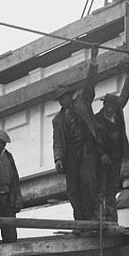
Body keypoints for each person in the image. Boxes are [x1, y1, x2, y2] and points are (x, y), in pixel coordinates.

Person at [52, 46, 101, 221]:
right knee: (73, 190)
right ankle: (80, 222)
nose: (62, 101)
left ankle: (92, 219)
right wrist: (58, 159)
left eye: (64, 97)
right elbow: (58, 141)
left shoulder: (82, 102)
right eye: (59, 99)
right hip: (70, 155)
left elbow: (90, 84)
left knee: (89, 184)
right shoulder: (57, 120)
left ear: (69, 96)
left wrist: (93, 60)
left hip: (86, 149)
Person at [93, 68, 129, 222]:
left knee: (112, 188)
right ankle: (100, 219)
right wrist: (101, 155)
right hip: (103, 161)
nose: (110, 110)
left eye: (113, 107)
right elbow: (93, 140)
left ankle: (111, 218)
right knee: (101, 189)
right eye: (108, 107)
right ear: (104, 105)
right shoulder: (97, 119)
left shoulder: (118, 113)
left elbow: (124, 96)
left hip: (116, 158)